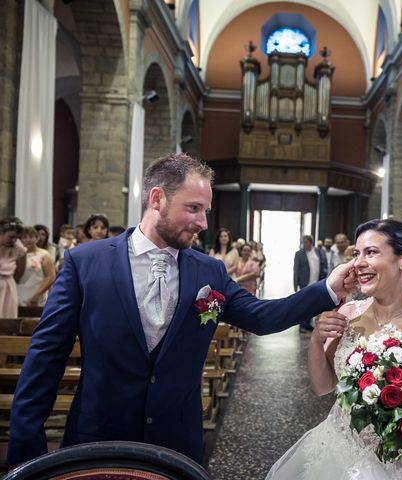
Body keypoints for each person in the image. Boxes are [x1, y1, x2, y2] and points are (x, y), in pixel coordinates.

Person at [7, 153, 355, 466]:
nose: (204, 222)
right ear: (157, 198)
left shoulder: (209, 271)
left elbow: (262, 317)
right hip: (98, 438)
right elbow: (45, 358)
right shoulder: (86, 263)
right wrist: (27, 453)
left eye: (205, 210)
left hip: (176, 445)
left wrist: (326, 289)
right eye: (193, 208)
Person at [267, 219, 402, 479]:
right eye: (357, 254)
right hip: (341, 450)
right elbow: (323, 387)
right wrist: (315, 340)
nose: (358, 262)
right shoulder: (347, 314)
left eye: (371, 252)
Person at [293, 234, 328, 332]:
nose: (304, 244)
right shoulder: (299, 254)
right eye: (303, 242)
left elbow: (324, 265)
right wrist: (295, 284)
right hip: (305, 283)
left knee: (313, 305)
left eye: (306, 242)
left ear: (311, 242)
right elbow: (296, 269)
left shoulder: (318, 251)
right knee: (304, 305)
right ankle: (302, 325)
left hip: (317, 282)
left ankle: (308, 323)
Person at [16, 226, 56, 307]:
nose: (28, 240)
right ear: (20, 239)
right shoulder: (16, 254)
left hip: (37, 293)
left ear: (37, 238)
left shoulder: (44, 254)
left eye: (31, 237)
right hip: (18, 293)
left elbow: (51, 276)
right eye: (24, 237)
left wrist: (38, 295)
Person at [0, 217, 26, 318]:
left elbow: (19, 273)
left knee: (7, 318)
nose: (13, 240)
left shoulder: (19, 250)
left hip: (8, 288)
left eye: (16, 238)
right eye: (11, 237)